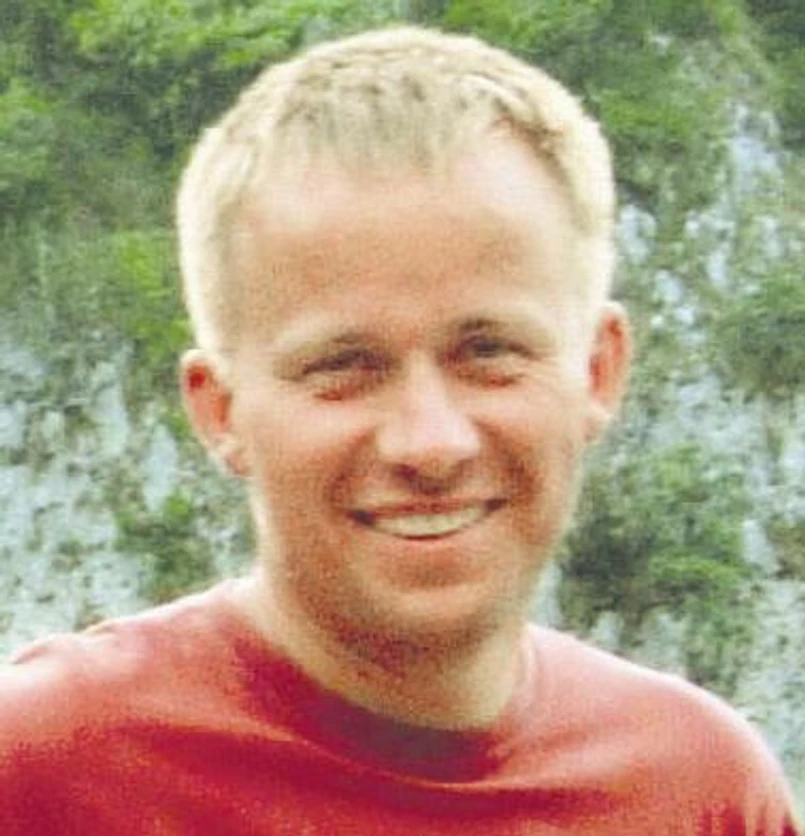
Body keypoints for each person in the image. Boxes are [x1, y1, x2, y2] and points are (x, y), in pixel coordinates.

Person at [0, 25, 799, 835]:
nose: (430, 443)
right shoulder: (43, 771)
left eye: (488, 352)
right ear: (220, 411)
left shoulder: (698, 790)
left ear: (597, 371)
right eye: (343, 366)